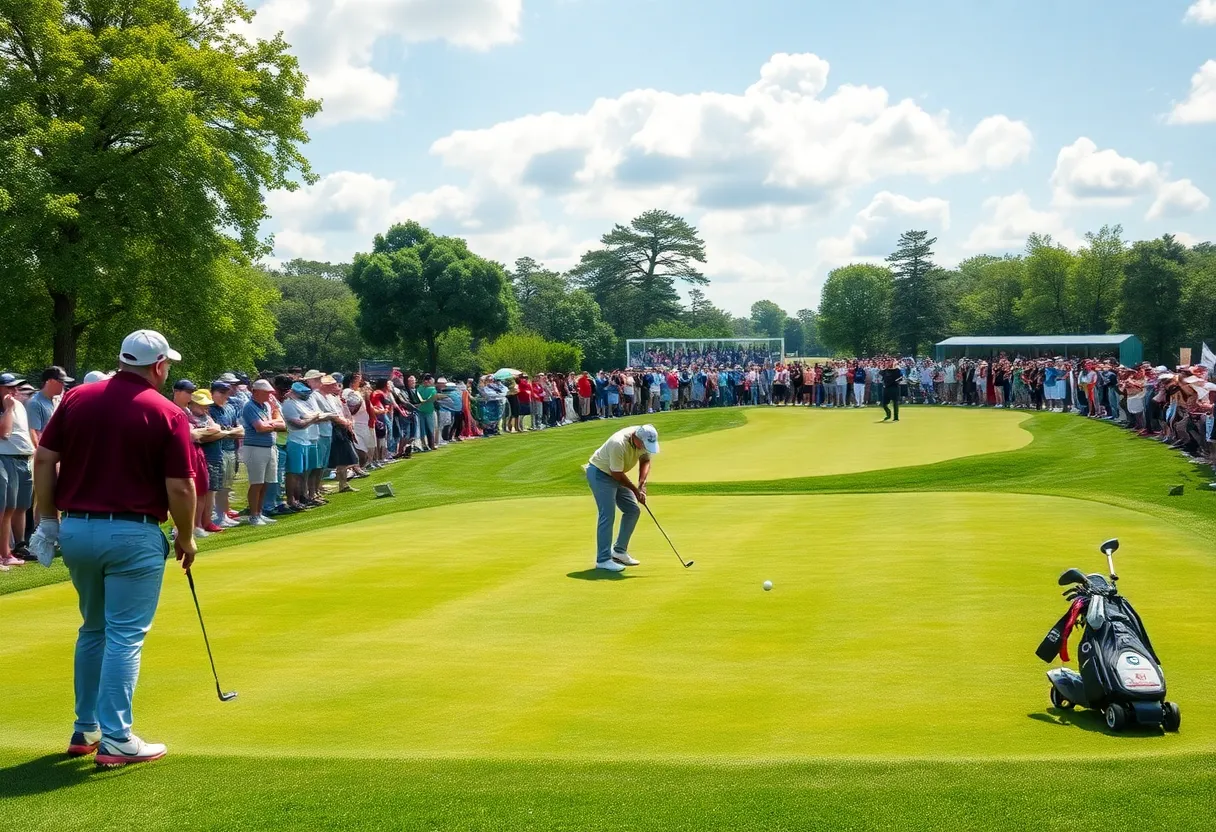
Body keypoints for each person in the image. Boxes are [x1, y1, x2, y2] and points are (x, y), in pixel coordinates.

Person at [30, 329, 197, 766]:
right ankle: (117, 737)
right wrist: (186, 535)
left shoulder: (77, 398)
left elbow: (44, 459)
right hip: (133, 532)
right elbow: (180, 486)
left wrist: (48, 521)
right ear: (159, 366)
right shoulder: (167, 411)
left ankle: (85, 728)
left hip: (77, 531)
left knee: (93, 629)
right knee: (124, 635)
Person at [584, 424, 660, 573]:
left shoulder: (643, 440)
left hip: (615, 473)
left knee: (632, 510)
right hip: (600, 473)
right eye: (644, 445)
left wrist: (642, 483)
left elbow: (645, 460)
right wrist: (635, 490)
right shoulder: (618, 443)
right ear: (636, 438)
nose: (645, 447)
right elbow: (616, 474)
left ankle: (619, 551)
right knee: (607, 514)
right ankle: (603, 559)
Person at [1, 373, 36, 568]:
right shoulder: (8, 407)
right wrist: (7, 409)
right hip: (6, 459)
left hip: (23, 458)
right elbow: (4, 433)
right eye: (8, 387)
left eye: (15, 387)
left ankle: (16, 546)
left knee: (18, 506)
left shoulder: (18, 405)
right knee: (5, 509)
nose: (14, 391)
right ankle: (4, 552)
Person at [241, 379, 284, 526]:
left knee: (266, 483)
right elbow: (260, 428)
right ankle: (253, 515)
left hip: (269, 447)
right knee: (256, 483)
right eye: (267, 393)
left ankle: (259, 513)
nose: (270, 396)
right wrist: (273, 424)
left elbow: (282, 425)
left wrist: (271, 422)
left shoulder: (266, 406)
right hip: (255, 448)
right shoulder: (249, 407)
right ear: (257, 392)